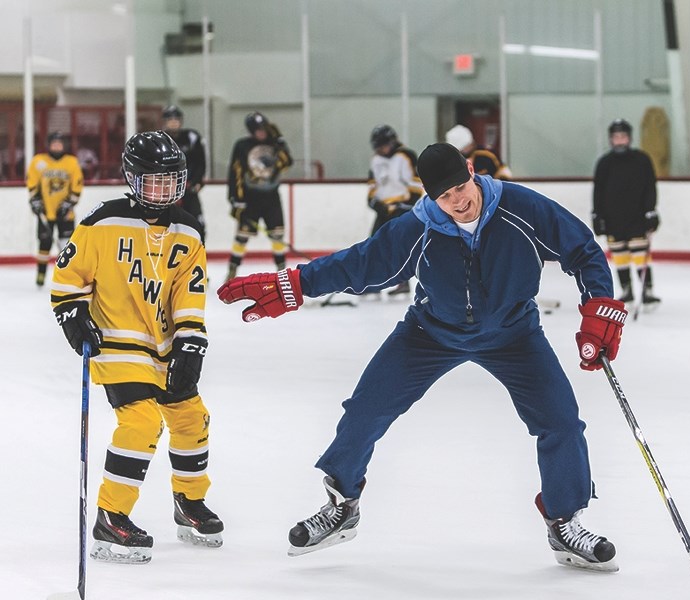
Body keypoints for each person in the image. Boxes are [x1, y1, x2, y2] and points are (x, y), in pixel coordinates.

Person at [217, 142, 628, 572]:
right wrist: (296, 284)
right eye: (445, 196)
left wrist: (598, 305)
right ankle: (342, 504)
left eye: (461, 187)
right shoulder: (421, 227)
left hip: (514, 334)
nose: (458, 201)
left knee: (560, 419)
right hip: (430, 333)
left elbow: (581, 249)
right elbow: (362, 264)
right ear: (430, 197)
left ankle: (564, 520)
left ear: (472, 172)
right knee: (365, 411)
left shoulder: (520, 208)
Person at [50, 131, 223, 564]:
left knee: (191, 418)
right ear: (132, 178)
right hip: (118, 345)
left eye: (172, 181)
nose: (165, 191)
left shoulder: (190, 230)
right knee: (142, 422)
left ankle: (189, 503)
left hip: (164, 345)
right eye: (154, 181)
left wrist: (190, 340)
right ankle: (112, 516)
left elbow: (189, 292)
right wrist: (74, 317)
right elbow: (68, 279)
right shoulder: (102, 222)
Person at [592, 118, 660, 305]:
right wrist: (597, 215)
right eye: (616, 137)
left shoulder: (642, 160)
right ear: (611, 139)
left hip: (637, 217)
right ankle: (627, 290)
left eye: (623, 136)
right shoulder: (604, 163)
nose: (620, 140)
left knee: (640, 255)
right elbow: (598, 191)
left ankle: (647, 290)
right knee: (619, 255)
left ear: (629, 138)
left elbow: (650, 187)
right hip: (613, 218)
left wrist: (651, 211)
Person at [225, 111, 293, 281]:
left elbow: (287, 163)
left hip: (271, 197)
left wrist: (281, 144)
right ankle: (232, 271)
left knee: (277, 235)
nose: (262, 132)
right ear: (251, 131)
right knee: (242, 236)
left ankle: (282, 272)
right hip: (250, 198)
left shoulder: (274, 144)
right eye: (258, 130)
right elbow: (236, 173)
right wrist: (235, 198)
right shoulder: (242, 146)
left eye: (264, 128)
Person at [367, 124, 424, 296]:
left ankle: (403, 282)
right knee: (373, 245)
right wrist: (376, 204)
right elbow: (372, 189)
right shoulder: (376, 160)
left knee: (401, 246)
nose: (380, 150)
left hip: (401, 208)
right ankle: (372, 282)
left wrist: (404, 206)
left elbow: (416, 185)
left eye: (382, 145)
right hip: (384, 209)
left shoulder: (406, 156)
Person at [26, 131, 84, 287]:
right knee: (44, 244)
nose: (57, 146)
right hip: (46, 211)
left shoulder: (71, 162)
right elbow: (32, 183)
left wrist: (68, 204)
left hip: (66, 214)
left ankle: (66, 278)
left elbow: (77, 185)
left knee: (67, 246)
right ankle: (41, 275)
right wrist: (36, 201)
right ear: (49, 145)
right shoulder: (39, 161)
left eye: (59, 143)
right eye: (54, 143)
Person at [162, 105, 208, 240]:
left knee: (198, 223)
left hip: (189, 189)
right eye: (170, 119)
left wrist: (197, 181)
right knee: (166, 225)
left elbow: (200, 162)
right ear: (165, 121)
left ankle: (198, 251)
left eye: (176, 119)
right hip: (167, 192)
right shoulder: (160, 139)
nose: (174, 122)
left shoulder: (192, 137)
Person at [445, 124, 512, 180]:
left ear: (470, 143)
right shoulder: (452, 160)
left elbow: (504, 175)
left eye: (463, 148)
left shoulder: (487, 155)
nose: (461, 152)